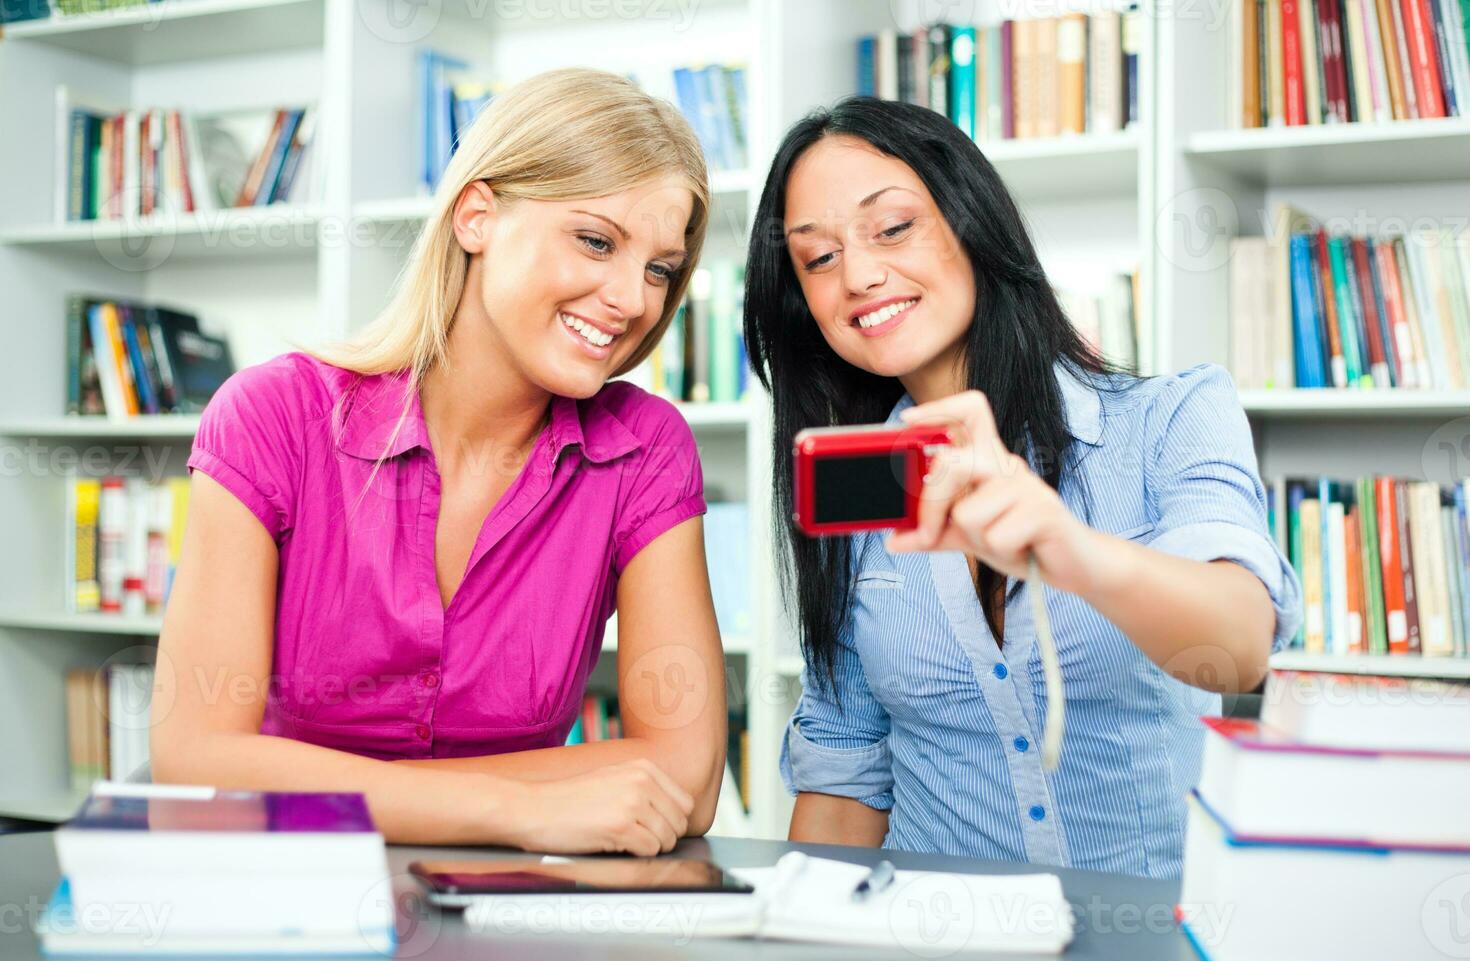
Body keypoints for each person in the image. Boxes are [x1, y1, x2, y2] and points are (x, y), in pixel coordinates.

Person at [152, 69, 726, 855]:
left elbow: (685, 781)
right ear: (477, 217)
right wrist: (511, 809)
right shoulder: (272, 418)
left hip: (511, 918)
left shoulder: (645, 449)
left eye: (660, 269)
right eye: (597, 241)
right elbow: (193, 766)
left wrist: (306, 783)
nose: (633, 299)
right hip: (287, 900)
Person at [743, 97, 1303, 878]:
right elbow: (846, 778)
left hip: (1153, 943)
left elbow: (1237, 650)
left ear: (974, 222)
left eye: (893, 228)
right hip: (934, 948)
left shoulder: (1171, 418)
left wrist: (1068, 550)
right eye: (819, 259)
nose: (861, 276)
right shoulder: (849, 488)